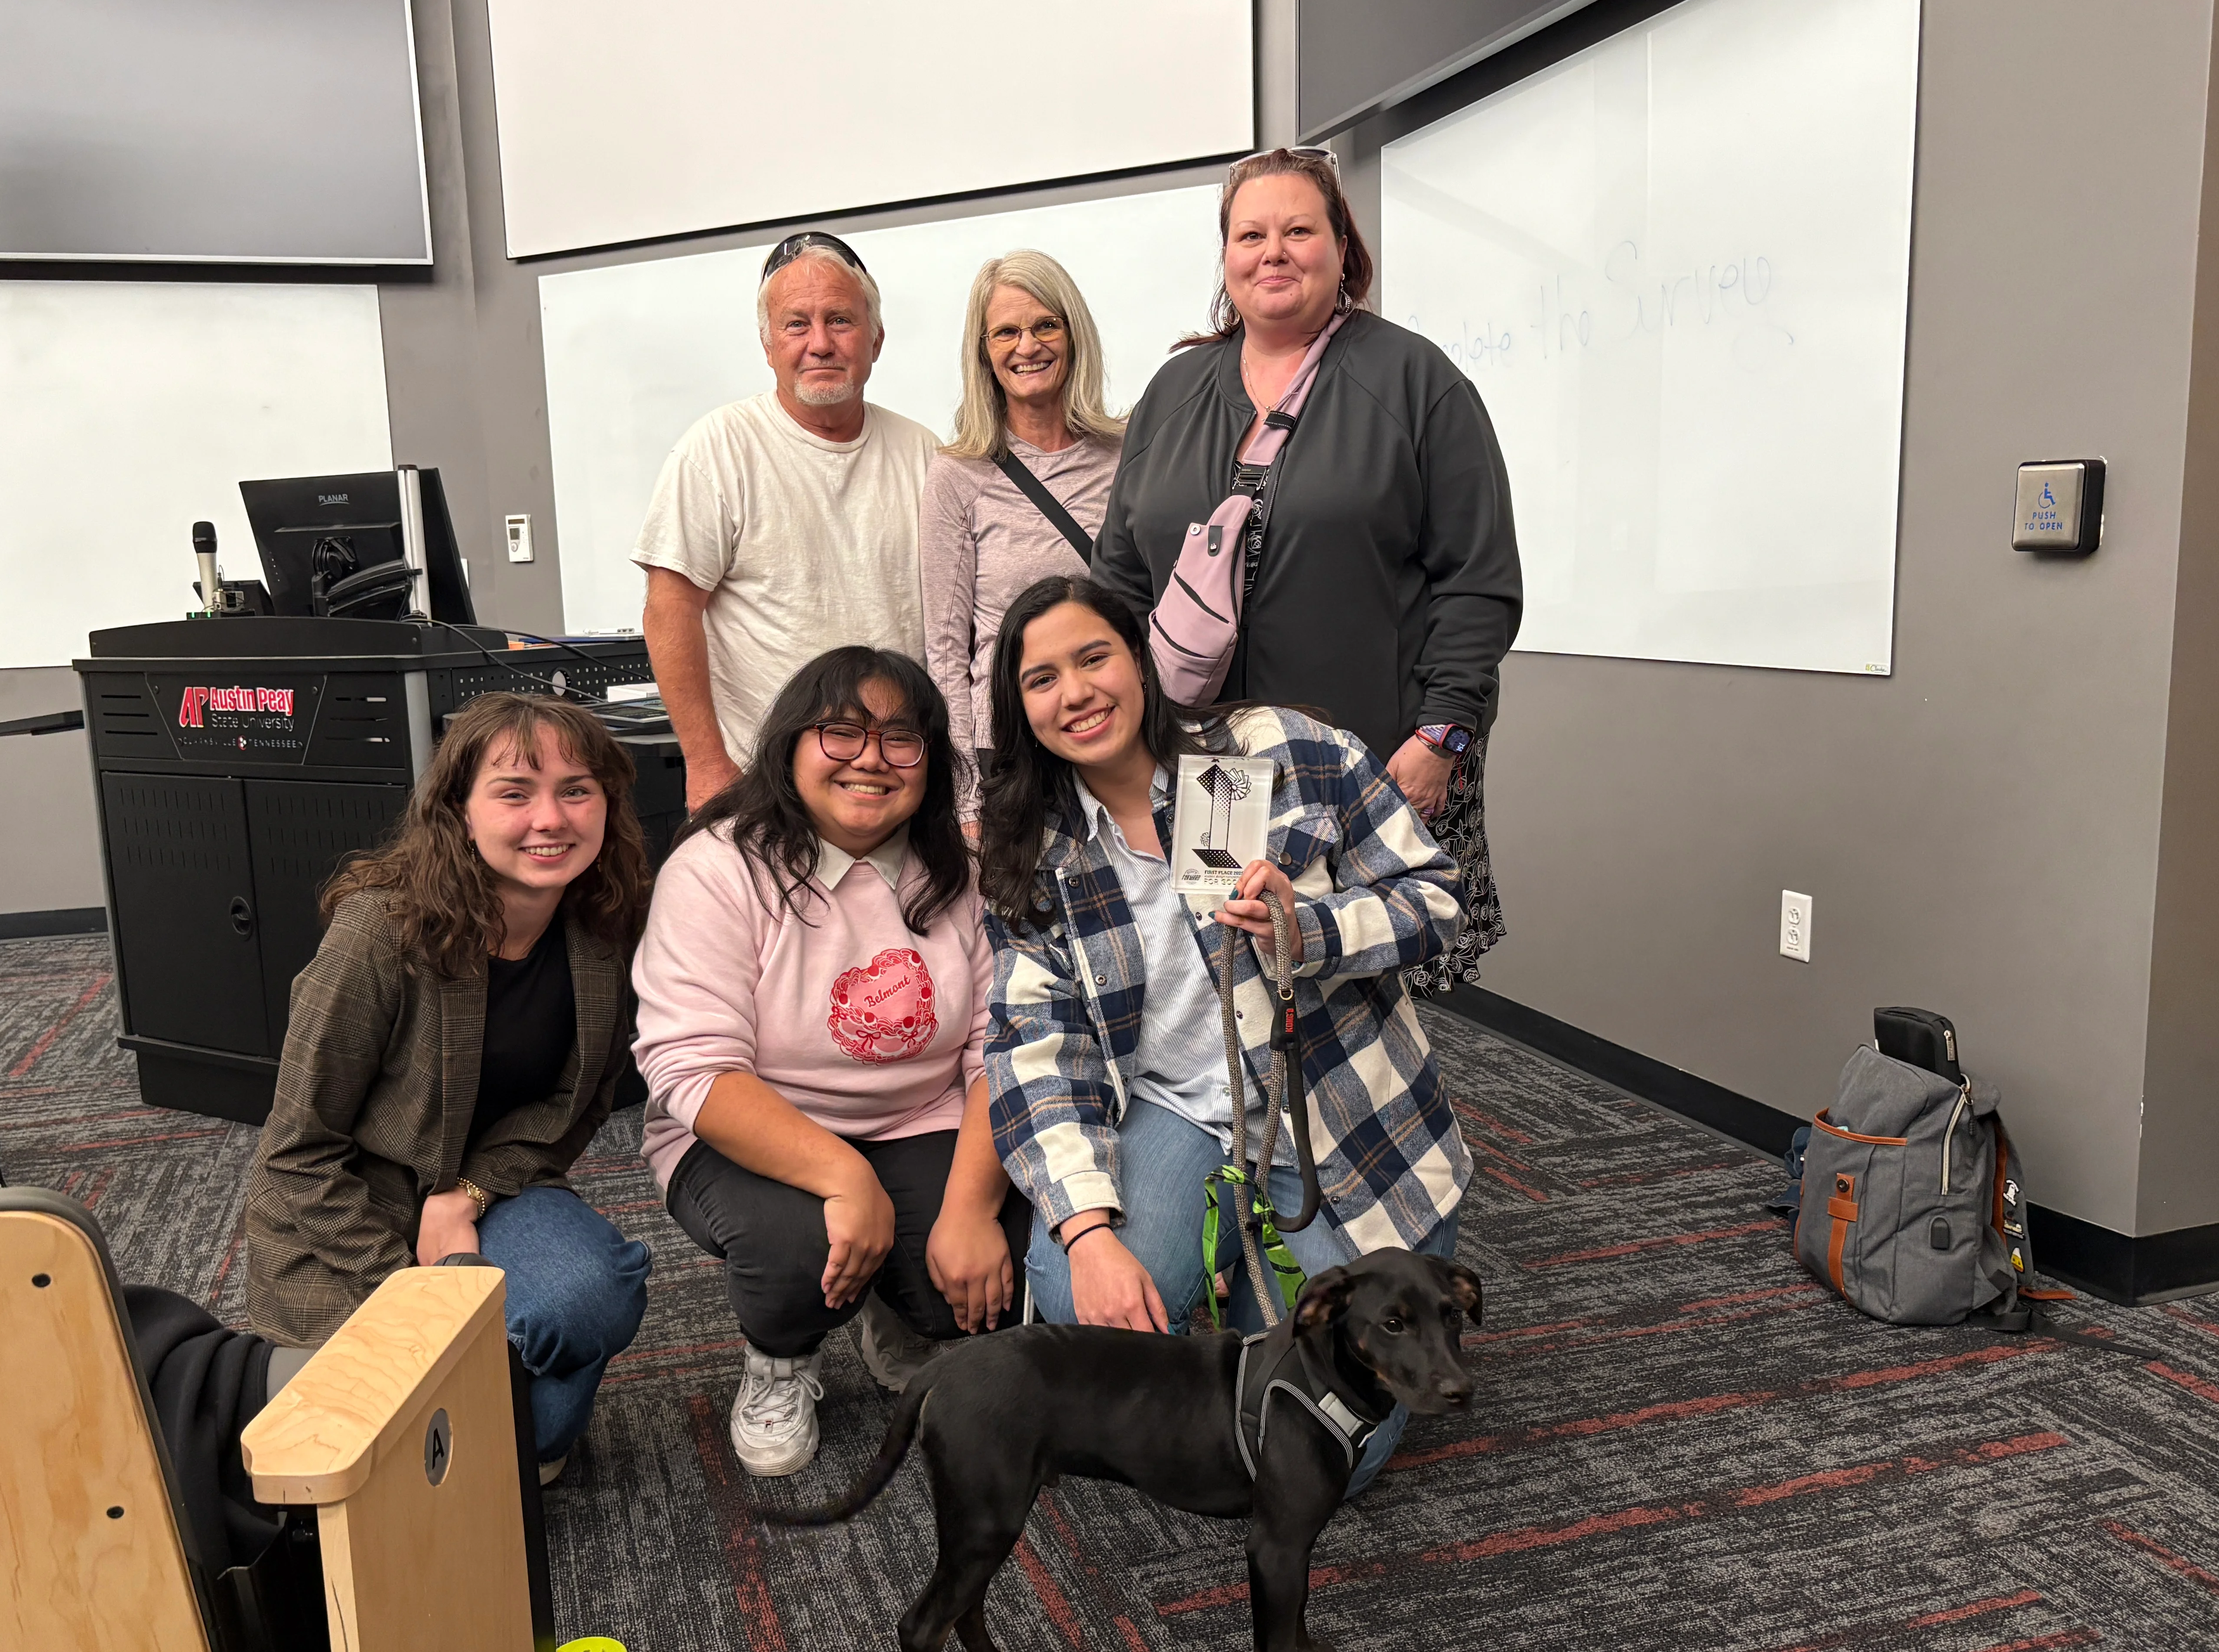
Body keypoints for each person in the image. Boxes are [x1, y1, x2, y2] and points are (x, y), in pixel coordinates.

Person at [978, 576, 1472, 1488]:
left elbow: (1437, 900)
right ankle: (1228, 1277)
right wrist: (1087, 1237)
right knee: (1082, 1302)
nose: (1075, 693)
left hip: (1334, 1117)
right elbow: (1035, 1054)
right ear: (1020, 709)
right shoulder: (1032, 848)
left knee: (1331, 1447)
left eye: (1094, 658)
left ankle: (1254, 1283)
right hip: (1174, 1107)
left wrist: (1313, 933)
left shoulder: (1283, 748)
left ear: (1140, 660)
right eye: (1041, 679)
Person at [1092, 148, 1523, 992]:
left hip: (1368, 760)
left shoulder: (1415, 381)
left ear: (1342, 248)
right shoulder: (1174, 392)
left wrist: (1441, 738)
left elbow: (1478, 578)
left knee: (1360, 996)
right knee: (1226, 981)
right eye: (1251, 235)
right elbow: (1120, 580)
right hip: (1213, 766)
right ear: (1227, 255)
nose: (1274, 252)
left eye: (1299, 230)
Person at [633, 646, 1028, 1478]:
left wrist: (969, 1210)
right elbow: (693, 1068)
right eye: (841, 732)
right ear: (790, 745)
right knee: (797, 1249)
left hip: (915, 1115)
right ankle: (778, 1361)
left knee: (989, 1268)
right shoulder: (718, 867)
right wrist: (847, 1180)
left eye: (900, 739)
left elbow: (997, 1049)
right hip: (747, 1129)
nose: (871, 759)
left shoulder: (959, 874)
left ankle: (900, 1311)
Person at [243, 693, 652, 1484]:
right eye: (514, 793)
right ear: (460, 812)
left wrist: (467, 1195)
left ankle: (510, 1422)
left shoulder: (604, 927)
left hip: (491, 1195)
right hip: (345, 1222)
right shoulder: (378, 933)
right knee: (372, 1453)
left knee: (587, 1304)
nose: (551, 818)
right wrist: (422, 1300)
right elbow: (296, 1154)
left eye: (576, 790)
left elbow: (573, 1110)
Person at [638, 232, 939, 815]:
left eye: (840, 321)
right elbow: (669, 611)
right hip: (764, 792)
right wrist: (707, 766)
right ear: (768, 345)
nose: (820, 344)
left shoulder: (926, 456)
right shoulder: (717, 451)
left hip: (896, 787)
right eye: (797, 324)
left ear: (876, 339)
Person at [918, 250, 1123, 833]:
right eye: (1006, 332)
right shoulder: (958, 476)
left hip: (1117, 738)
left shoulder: (1128, 454)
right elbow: (946, 654)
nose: (1027, 346)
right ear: (983, 351)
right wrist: (966, 803)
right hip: (1013, 757)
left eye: (1046, 325)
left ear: (1074, 333)